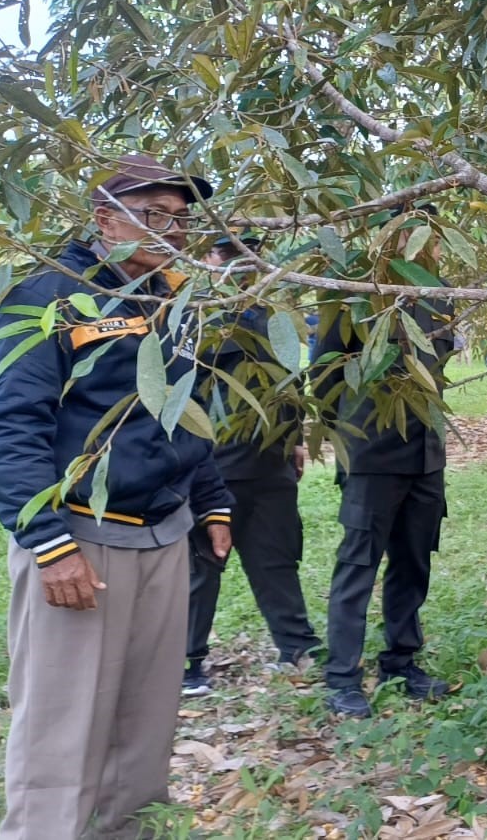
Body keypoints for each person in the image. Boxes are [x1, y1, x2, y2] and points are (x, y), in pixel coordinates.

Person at [0, 153, 236, 839]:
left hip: (163, 534)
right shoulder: (50, 297)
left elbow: (181, 410)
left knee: (145, 726)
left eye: (180, 219)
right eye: (153, 214)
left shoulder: (172, 297)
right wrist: (48, 544)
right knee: (62, 729)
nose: (171, 231)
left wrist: (211, 499)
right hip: (82, 540)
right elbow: (14, 426)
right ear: (105, 219)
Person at [312, 204, 454, 718]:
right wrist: (345, 438)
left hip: (425, 454)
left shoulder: (441, 295)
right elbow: (325, 373)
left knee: (414, 561)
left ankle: (401, 660)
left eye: (431, 236)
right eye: (410, 234)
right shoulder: (355, 294)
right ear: (388, 238)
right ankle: (342, 678)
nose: (423, 245)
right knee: (358, 565)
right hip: (371, 452)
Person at [183, 235, 322, 695]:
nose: (242, 263)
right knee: (203, 567)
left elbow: (289, 382)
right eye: (228, 254)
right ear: (207, 259)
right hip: (214, 469)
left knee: (276, 558)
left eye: (251, 252)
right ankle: (187, 662)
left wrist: (296, 440)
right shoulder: (196, 318)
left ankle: (296, 646)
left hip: (271, 465)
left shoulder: (274, 315)